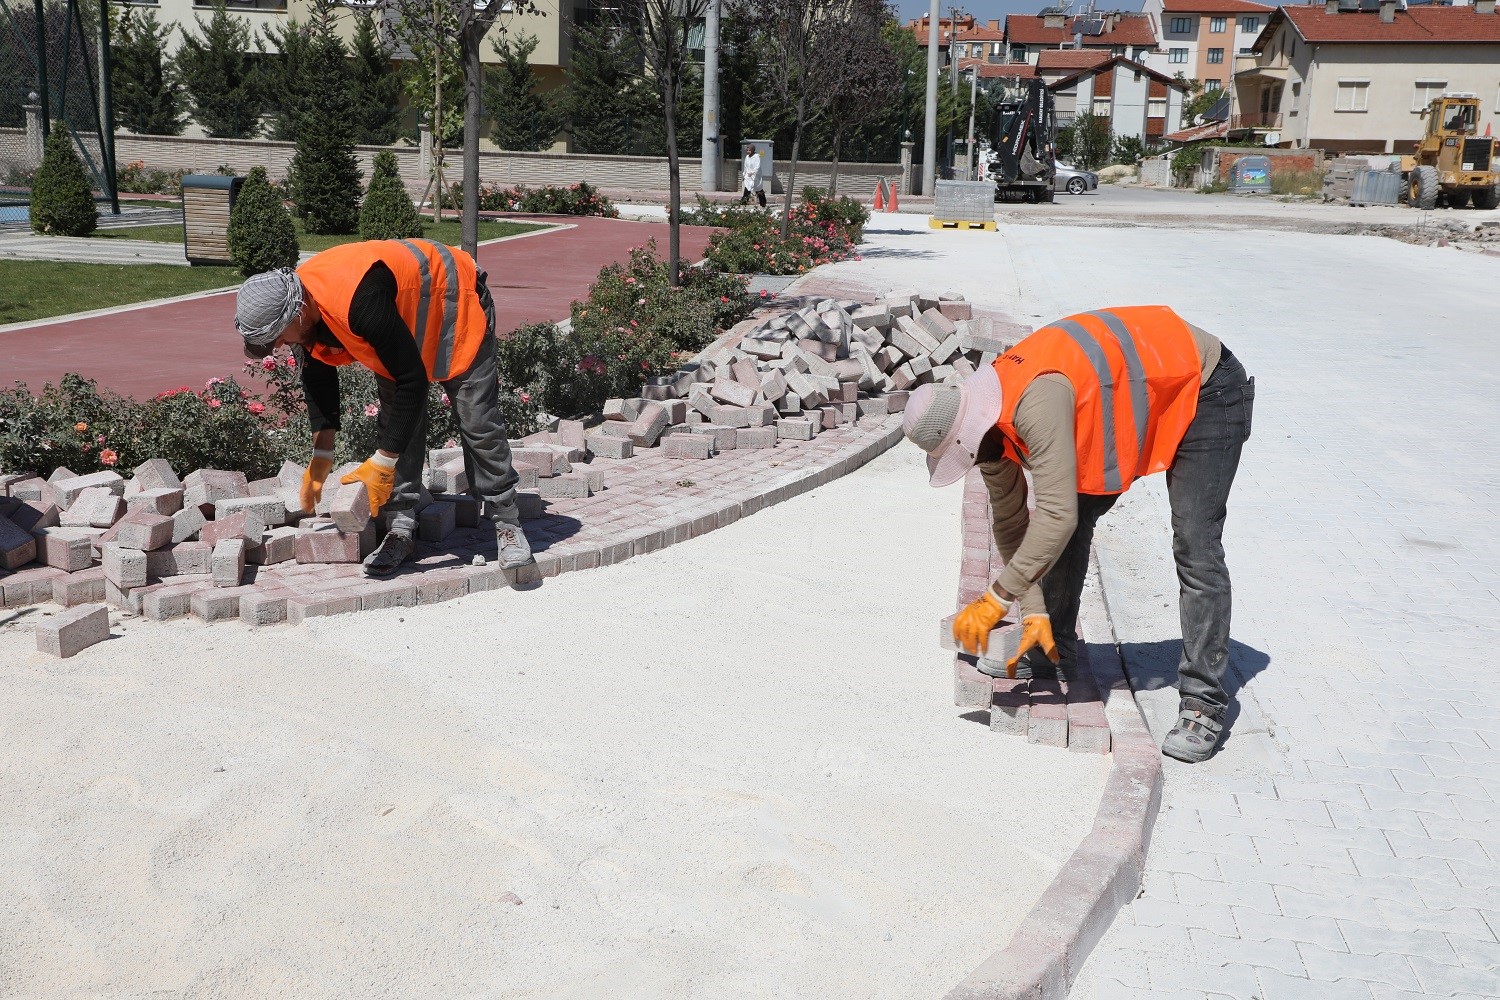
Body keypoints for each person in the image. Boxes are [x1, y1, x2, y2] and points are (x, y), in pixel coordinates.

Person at [902, 306, 1254, 763]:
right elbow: (1011, 524)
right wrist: (1032, 616)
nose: (972, 461)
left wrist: (996, 600)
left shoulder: (1034, 402)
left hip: (1205, 386)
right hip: (1139, 392)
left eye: (965, 453)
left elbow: (1055, 516)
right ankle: (1053, 644)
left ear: (973, 430)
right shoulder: (990, 430)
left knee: (1194, 542)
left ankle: (1204, 702)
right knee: (1068, 518)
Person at [233, 239, 534, 576]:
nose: (276, 345)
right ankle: (401, 527)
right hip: (404, 322)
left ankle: (507, 521)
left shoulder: (359, 301)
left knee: (477, 420)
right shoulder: (304, 314)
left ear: (298, 312)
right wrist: (321, 457)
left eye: (276, 334)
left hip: (456, 304)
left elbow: (413, 382)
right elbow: (319, 383)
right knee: (397, 422)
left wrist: (381, 462)